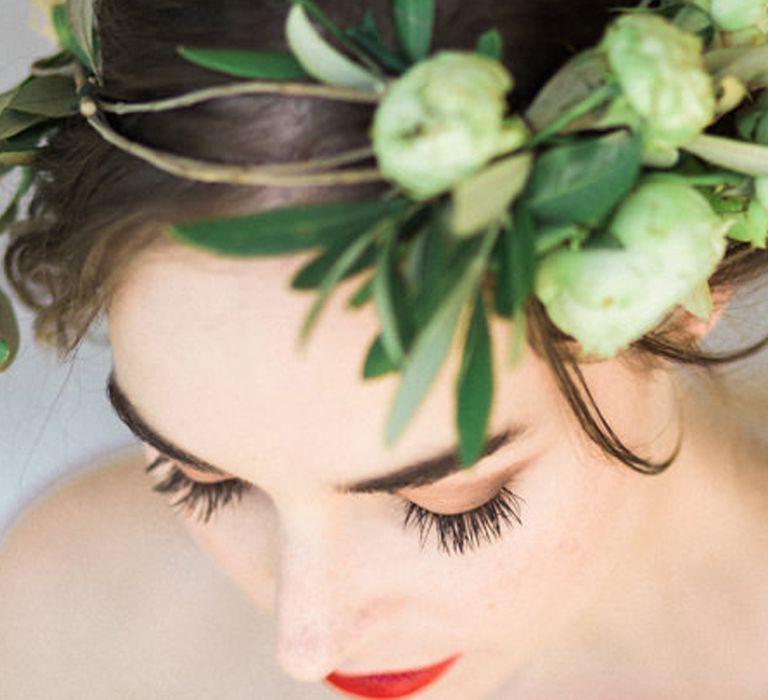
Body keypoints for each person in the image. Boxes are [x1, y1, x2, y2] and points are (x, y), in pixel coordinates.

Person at [1, 0, 768, 698]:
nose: (307, 642)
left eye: (450, 507)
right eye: (202, 479)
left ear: (676, 285)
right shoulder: (71, 620)